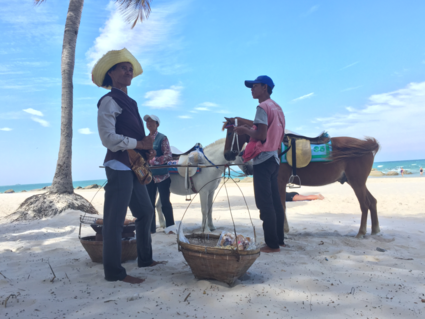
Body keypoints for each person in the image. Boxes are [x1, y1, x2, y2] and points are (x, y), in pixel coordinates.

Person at [93, 48, 165, 284]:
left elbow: (135, 136)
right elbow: (107, 138)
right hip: (119, 166)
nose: (128, 71)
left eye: (130, 68)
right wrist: (139, 142)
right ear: (111, 73)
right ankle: (114, 272)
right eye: (123, 67)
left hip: (134, 166)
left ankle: (145, 259)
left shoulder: (131, 102)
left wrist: (146, 148)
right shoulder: (108, 100)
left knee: (145, 212)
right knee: (114, 220)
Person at [234, 75, 286, 253]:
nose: (251, 89)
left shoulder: (261, 107)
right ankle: (279, 240)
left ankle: (272, 245)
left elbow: (261, 135)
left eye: (254, 86)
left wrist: (244, 130)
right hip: (274, 158)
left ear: (264, 87)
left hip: (263, 159)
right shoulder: (277, 108)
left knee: (265, 203)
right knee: (275, 202)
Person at [143, 114, 175, 234]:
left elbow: (168, 155)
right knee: (149, 203)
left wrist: (154, 160)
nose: (149, 123)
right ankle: (151, 229)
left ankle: (171, 228)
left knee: (165, 203)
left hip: (163, 176)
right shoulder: (144, 139)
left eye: (152, 121)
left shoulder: (162, 138)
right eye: (147, 121)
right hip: (149, 177)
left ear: (157, 124)